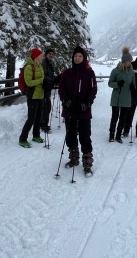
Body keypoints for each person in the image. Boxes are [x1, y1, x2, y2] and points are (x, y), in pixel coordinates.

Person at [59, 46, 97, 176]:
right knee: (70, 135)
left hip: (83, 110)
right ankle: (74, 158)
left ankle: (87, 161)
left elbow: (93, 90)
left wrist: (87, 103)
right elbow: (61, 88)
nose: (77, 58)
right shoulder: (67, 73)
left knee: (85, 135)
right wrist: (65, 100)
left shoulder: (89, 73)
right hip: (69, 110)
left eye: (80, 56)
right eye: (75, 56)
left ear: (84, 58)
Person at [18, 48, 45, 148]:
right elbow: (29, 82)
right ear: (36, 57)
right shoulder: (29, 67)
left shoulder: (40, 66)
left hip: (40, 95)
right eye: (41, 56)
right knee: (31, 118)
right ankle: (22, 139)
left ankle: (36, 135)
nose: (42, 57)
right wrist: (41, 80)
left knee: (38, 117)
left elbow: (41, 79)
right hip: (32, 95)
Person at [108, 47, 135, 143]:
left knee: (122, 119)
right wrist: (117, 84)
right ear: (124, 61)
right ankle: (111, 135)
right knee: (114, 117)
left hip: (127, 98)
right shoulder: (115, 71)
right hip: (116, 98)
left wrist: (133, 87)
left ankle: (118, 136)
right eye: (128, 61)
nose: (130, 63)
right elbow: (110, 83)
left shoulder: (131, 72)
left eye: (130, 61)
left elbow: (133, 83)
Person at [40, 48, 59, 133]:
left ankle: (43, 124)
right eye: (49, 54)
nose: (51, 55)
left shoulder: (49, 63)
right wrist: (52, 81)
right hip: (43, 88)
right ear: (46, 54)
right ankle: (43, 125)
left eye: (52, 54)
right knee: (46, 107)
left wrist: (55, 80)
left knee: (46, 106)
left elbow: (50, 76)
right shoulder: (44, 63)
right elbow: (43, 75)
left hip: (47, 88)